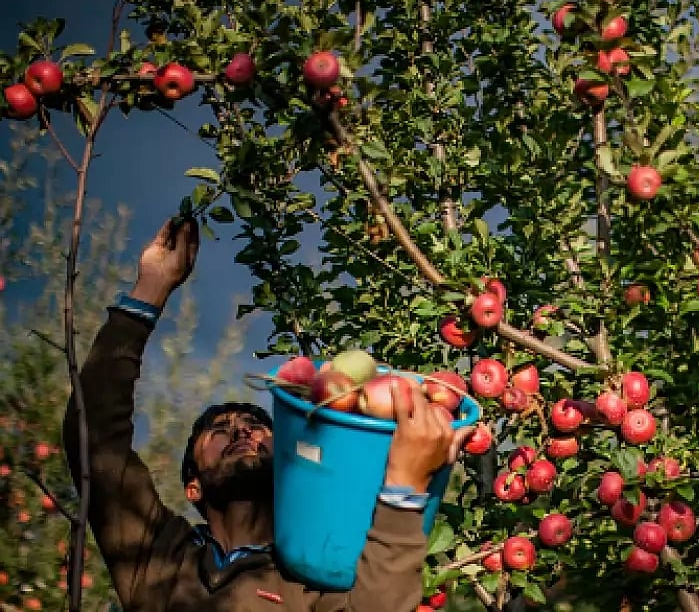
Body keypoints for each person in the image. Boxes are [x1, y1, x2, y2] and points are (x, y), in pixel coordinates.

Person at [63, 216, 468, 611]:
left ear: (286, 464)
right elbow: (93, 435)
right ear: (193, 487)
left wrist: (405, 486)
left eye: (257, 426)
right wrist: (150, 288)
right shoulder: (161, 562)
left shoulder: (312, 581)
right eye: (219, 430)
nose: (242, 432)